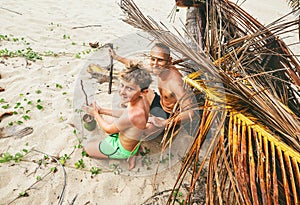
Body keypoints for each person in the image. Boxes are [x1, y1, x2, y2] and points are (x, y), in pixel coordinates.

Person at [109, 43, 197, 138]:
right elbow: (137, 66)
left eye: (160, 60)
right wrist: (116, 57)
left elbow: (190, 112)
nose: (155, 64)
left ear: (169, 61)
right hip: (159, 103)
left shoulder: (175, 83)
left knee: (147, 128)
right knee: (139, 91)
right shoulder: (159, 68)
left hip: (170, 115)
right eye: (153, 59)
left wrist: (164, 122)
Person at [83, 66, 152, 170]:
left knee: (87, 149)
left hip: (121, 148)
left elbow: (108, 129)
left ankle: (126, 156)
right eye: (122, 85)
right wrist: (101, 110)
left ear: (143, 91)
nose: (122, 91)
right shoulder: (142, 100)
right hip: (134, 141)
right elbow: (124, 113)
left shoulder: (132, 115)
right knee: (114, 122)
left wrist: (96, 114)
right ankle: (134, 152)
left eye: (129, 88)